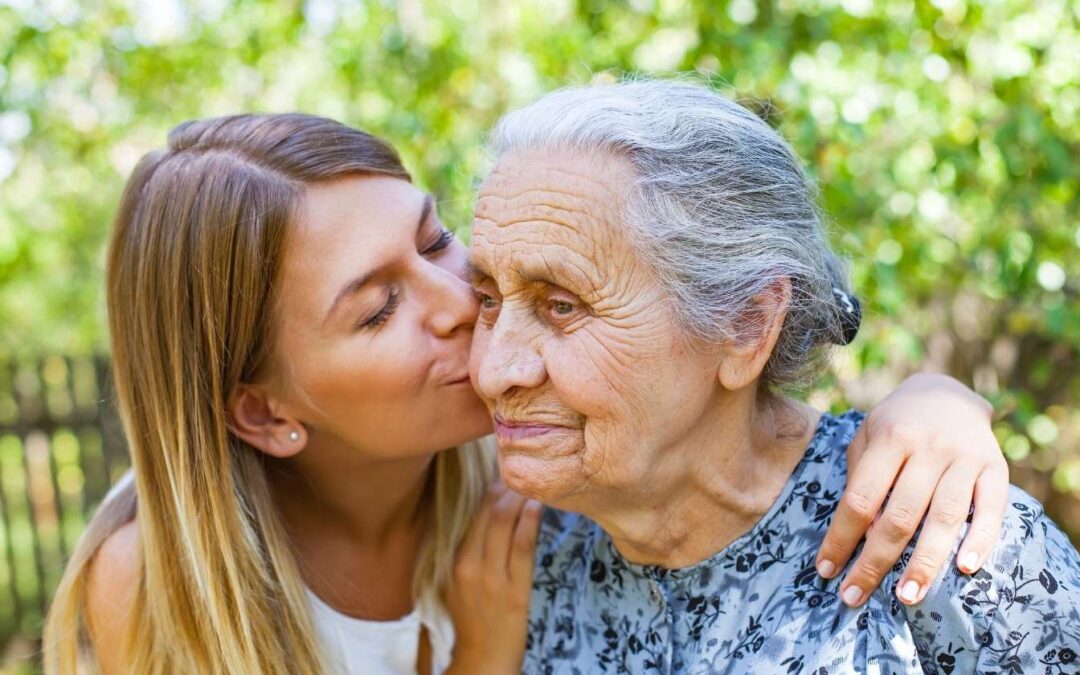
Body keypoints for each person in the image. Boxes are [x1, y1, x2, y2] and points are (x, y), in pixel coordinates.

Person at [44, 112, 1009, 675]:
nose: (464, 304)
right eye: (378, 310)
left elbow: (703, 380)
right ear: (264, 412)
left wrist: (938, 402)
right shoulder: (160, 583)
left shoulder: (549, 462)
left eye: (434, 240)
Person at [467, 79, 1080, 673]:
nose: (494, 371)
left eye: (562, 306)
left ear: (746, 326)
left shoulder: (952, 542)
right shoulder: (512, 553)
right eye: (488, 300)